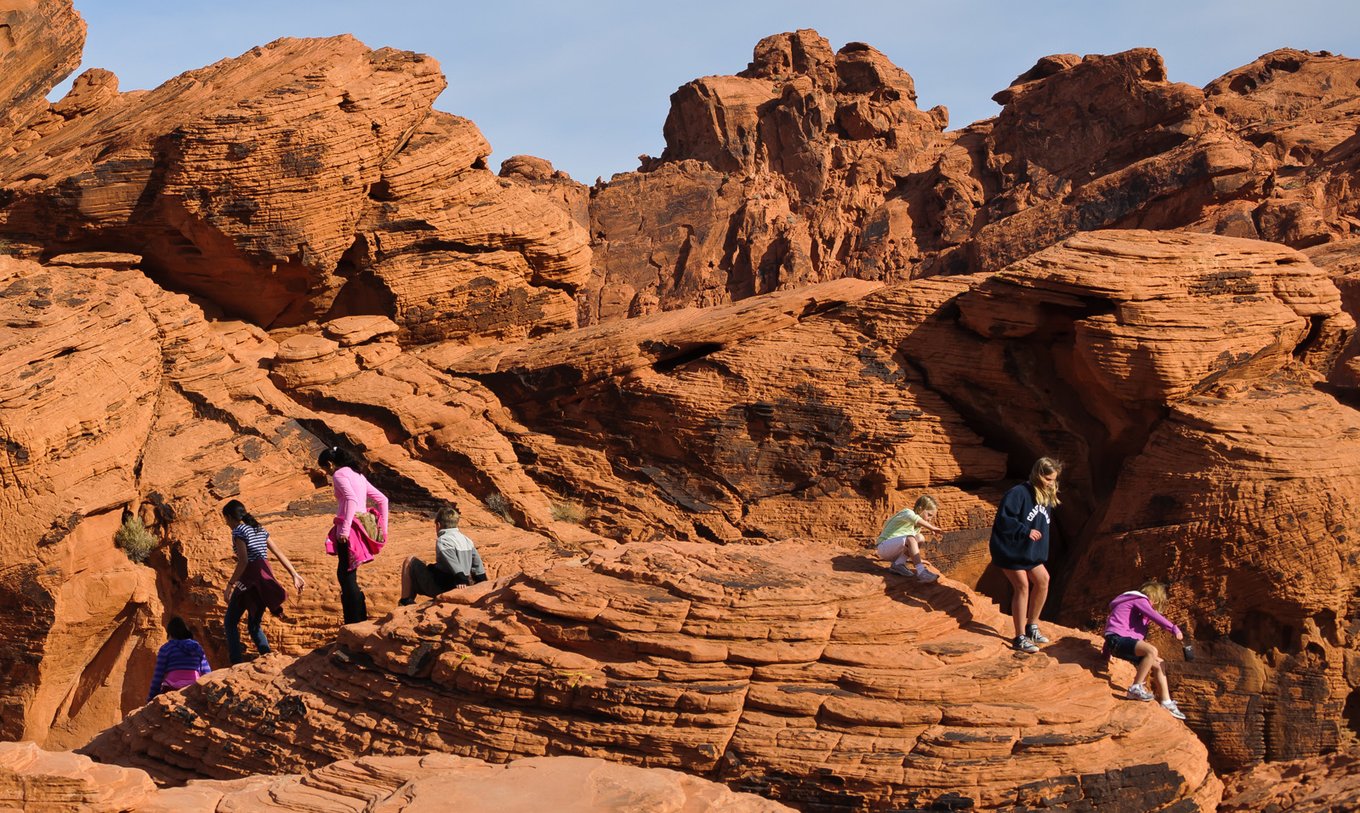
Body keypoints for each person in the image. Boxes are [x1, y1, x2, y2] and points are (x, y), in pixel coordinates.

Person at [989, 457, 1062, 654]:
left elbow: (1041, 524)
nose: (1051, 483)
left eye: (1053, 479)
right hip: (1009, 549)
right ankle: (1019, 637)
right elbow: (1004, 520)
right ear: (1038, 474)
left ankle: (1032, 626)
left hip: (1027, 552)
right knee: (1022, 586)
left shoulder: (1045, 496)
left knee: (1043, 580)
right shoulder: (1018, 493)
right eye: (1048, 478)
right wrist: (1024, 531)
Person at [222, 499, 305, 664]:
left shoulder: (238, 531)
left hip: (247, 581)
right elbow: (278, 552)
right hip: (263, 581)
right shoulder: (259, 529)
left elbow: (244, 561)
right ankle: (267, 658)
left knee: (230, 622)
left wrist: (230, 585)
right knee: (254, 626)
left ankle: (236, 663)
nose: (226, 523)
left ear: (231, 517)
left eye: (225, 519)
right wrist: (294, 573)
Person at [318, 446, 389, 624]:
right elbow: (383, 499)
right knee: (349, 573)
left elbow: (350, 499)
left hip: (349, 528)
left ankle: (354, 620)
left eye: (325, 468)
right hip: (360, 526)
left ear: (330, 463)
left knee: (345, 574)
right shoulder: (358, 475)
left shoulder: (339, 474)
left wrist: (344, 529)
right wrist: (383, 528)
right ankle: (357, 618)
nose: (326, 472)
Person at [1104, 581, 1187, 720]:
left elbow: (1112, 624)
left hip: (1119, 644)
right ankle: (1135, 688)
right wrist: (1173, 628)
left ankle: (1166, 702)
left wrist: (1105, 653)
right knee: (1151, 651)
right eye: (1157, 600)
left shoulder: (1134, 608)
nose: (1154, 605)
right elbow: (1155, 616)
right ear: (1154, 596)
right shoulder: (1139, 599)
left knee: (1160, 664)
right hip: (1117, 640)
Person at [398, 504, 488, 606]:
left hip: (445, 586)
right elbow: (477, 564)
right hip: (463, 584)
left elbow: (451, 559)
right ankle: (409, 602)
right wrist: (483, 582)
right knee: (428, 567)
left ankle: (405, 601)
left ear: (438, 525)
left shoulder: (443, 539)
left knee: (410, 561)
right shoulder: (466, 539)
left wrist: (460, 578)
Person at [873, 495, 943, 581]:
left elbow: (911, 545)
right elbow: (915, 518)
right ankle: (921, 572)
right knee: (911, 538)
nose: (929, 519)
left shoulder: (917, 527)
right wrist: (931, 527)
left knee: (920, 537)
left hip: (895, 551)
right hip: (884, 547)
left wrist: (917, 558)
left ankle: (898, 564)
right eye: (929, 515)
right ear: (920, 509)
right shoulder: (907, 512)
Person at [148, 616, 211, 701]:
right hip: (194, 686)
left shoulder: (166, 648)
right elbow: (206, 671)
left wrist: (151, 698)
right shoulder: (196, 647)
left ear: (170, 633)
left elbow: (158, 676)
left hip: (172, 688)